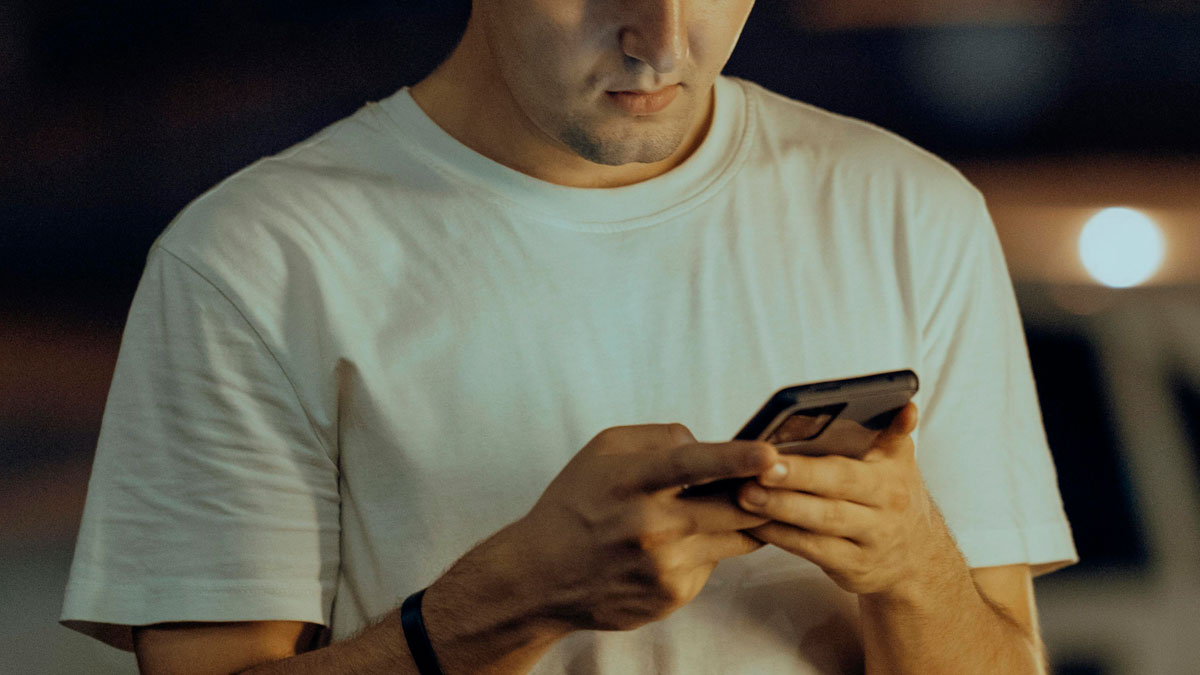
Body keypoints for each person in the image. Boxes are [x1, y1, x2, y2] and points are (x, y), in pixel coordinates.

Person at [61, 0, 1078, 673]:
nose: (664, 41)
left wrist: (911, 566)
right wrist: (517, 597)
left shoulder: (909, 211)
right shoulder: (251, 261)